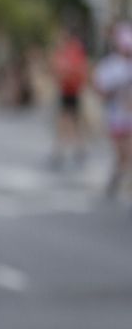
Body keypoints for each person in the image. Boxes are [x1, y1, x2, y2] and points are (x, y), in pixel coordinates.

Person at [94, 21, 132, 199]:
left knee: (128, 152)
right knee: (120, 154)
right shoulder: (111, 65)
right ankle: (116, 178)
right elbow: (100, 91)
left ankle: (121, 180)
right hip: (116, 117)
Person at [49, 23, 89, 169]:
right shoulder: (62, 51)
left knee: (70, 122)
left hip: (72, 91)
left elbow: (78, 69)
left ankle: (73, 149)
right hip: (65, 91)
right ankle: (63, 150)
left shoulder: (74, 51)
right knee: (64, 122)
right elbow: (56, 70)